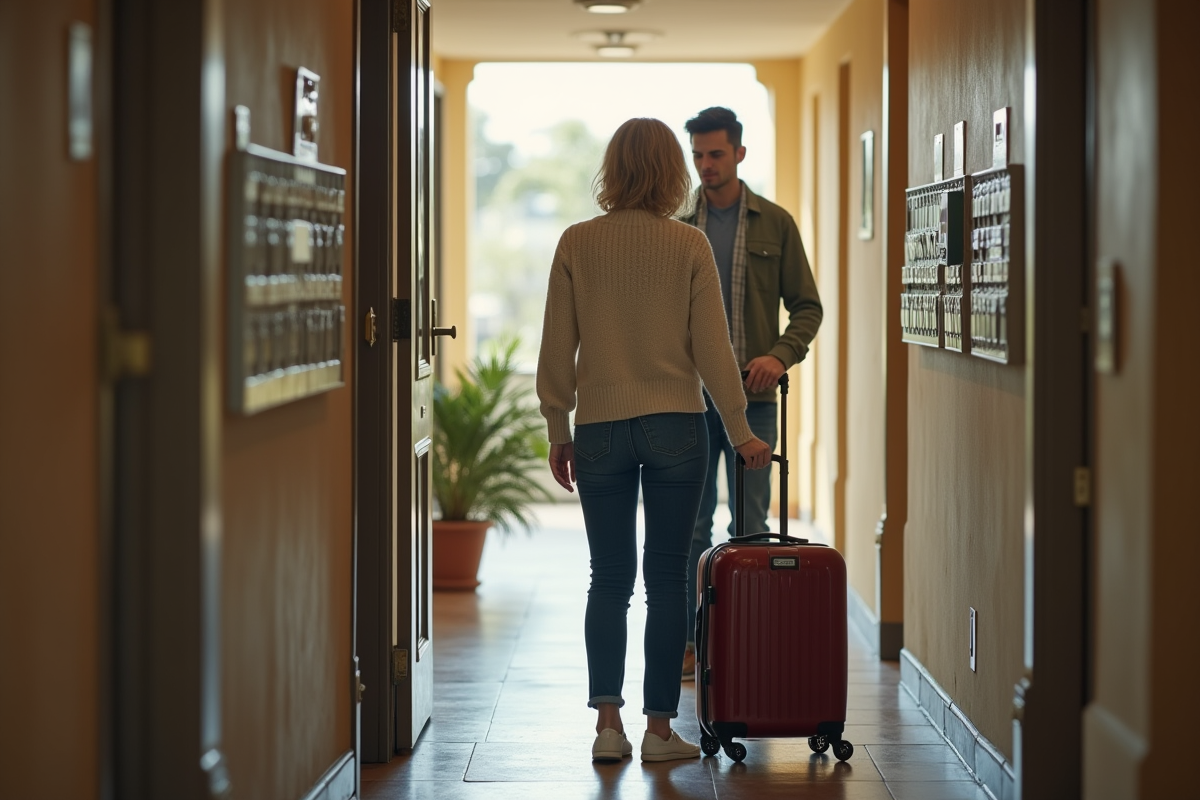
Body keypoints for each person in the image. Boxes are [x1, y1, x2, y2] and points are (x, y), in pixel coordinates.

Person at [536, 117, 772, 763]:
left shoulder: (576, 243)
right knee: (668, 580)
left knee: (607, 578)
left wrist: (558, 428)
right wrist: (742, 432)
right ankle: (660, 733)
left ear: (611, 170)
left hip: (600, 430)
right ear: (674, 171)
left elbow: (557, 347)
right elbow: (715, 353)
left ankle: (607, 728)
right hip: (676, 425)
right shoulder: (690, 246)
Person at [680, 107, 823, 681]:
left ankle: (745, 641)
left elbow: (807, 307)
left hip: (754, 399)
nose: (706, 165)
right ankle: (694, 645)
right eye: (698, 155)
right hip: (687, 399)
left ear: (739, 154)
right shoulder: (678, 225)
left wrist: (778, 355)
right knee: (690, 526)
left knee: (750, 524)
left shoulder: (776, 224)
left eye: (716, 154)